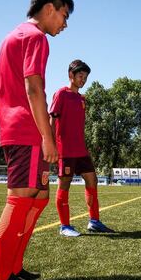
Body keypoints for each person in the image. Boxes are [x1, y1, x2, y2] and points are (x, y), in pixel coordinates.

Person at [0, 0, 74, 280]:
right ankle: (1, 278)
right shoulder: (36, 37)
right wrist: (48, 136)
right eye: (64, 15)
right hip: (27, 130)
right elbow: (34, 89)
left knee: (39, 198)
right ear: (50, 8)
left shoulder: (14, 35)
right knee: (21, 198)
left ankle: (14, 268)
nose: (64, 23)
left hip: (20, 129)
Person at [50, 60, 114, 237]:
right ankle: (65, 226)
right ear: (71, 75)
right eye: (80, 76)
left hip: (81, 150)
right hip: (65, 149)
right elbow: (53, 119)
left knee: (92, 179)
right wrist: (50, 143)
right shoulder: (61, 94)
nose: (83, 79)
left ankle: (94, 221)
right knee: (65, 184)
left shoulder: (82, 99)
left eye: (85, 77)